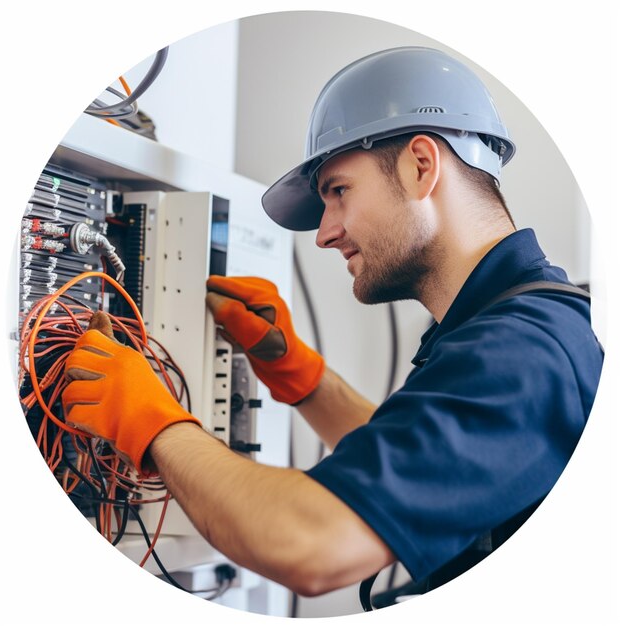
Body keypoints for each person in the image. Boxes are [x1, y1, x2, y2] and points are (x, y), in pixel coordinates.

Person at [62, 47, 603, 604]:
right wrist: (299, 374)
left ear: (422, 165)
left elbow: (312, 542)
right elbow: (421, 467)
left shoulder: (523, 350)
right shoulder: (509, 322)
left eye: (338, 191)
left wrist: (151, 421)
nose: (323, 234)